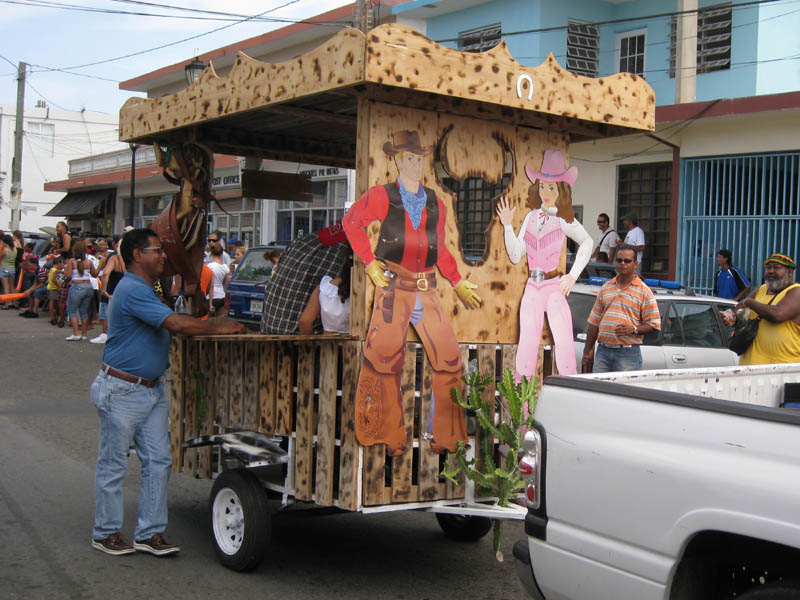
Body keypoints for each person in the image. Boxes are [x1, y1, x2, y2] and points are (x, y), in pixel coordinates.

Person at [90, 228, 245, 557]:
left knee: (158, 462)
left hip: (148, 389)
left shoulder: (145, 289)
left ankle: (149, 533)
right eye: (157, 251)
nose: (163, 256)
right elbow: (174, 324)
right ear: (137, 256)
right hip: (122, 388)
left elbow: (173, 320)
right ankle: (105, 532)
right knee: (113, 464)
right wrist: (217, 326)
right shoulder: (132, 289)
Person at [343, 129, 482, 455]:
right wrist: (368, 262)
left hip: (427, 287)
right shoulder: (382, 195)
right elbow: (352, 222)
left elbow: (439, 248)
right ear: (397, 159)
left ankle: (447, 438)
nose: (415, 163)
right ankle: (389, 438)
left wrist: (457, 281)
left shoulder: (435, 201)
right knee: (384, 360)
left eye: (419, 158)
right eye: (409, 157)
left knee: (449, 358)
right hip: (394, 285)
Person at [496, 149, 592, 379]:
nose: (546, 192)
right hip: (532, 285)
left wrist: (572, 275)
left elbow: (587, 242)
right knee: (527, 342)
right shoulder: (530, 217)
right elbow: (516, 254)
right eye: (542, 186)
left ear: (561, 190)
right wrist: (508, 226)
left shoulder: (564, 218)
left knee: (565, 343)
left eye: (552, 187)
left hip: (554, 285)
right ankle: (522, 404)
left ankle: (567, 395)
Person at [581, 248, 662, 373]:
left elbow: (654, 324)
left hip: (628, 354)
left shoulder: (644, 291)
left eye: (627, 261)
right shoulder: (605, 288)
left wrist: (634, 329)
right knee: (599, 391)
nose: (623, 263)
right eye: (619, 260)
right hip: (603, 352)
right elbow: (594, 322)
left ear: (635, 264)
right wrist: (587, 352)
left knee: (623, 391)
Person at [261, 226, 350, 335]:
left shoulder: (304, 241)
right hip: (298, 337)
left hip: (269, 329)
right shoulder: (343, 252)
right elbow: (305, 322)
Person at [722, 253, 800, 366]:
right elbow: (740, 310)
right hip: (750, 368)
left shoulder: (796, 292)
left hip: (782, 371)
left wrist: (750, 302)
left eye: (776, 267)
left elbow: (777, 314)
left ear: (789, 272)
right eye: (768, 268)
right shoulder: (761, 289)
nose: (771, 271)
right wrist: (732, 318)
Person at [298, 254, 352, 334]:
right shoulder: (367, 293)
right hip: (359, 344)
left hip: (327, 343)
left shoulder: (324, 288)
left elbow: (305, 322)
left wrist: (310, 345)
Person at [92, 241, 125, 344]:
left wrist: (104, 289)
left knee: (106, 312)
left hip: (111, 289)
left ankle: (105, 334)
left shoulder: (114, 257)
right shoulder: (131, 258)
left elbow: (105, 273)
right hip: (124, 289)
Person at [207, 241, 231, 316]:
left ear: (211, 254)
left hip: (211, 297)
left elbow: (211, 286)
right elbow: (227, 284)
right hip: (222, 296)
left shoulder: (210, 266)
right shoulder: (225, 267)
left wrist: (210, 303)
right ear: (221, 254)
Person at [0, 234, 19, 308]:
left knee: (6, 287)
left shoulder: (5, 250)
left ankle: (7, 304)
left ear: (5, 242)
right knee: (12, 287)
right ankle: (15, 302)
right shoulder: (15, 250)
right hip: (12, 269)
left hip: (4, 268)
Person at [46, 257, 65, 324]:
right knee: (52, 302)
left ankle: (54, 316)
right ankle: (52, 317)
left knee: (54, 302)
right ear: (58, 263)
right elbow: (54, 279)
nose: (63, 265)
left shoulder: (52, 269)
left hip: (52, 288)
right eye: (62, 263)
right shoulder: (54, 269)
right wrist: (59, 286)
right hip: (53, 288)